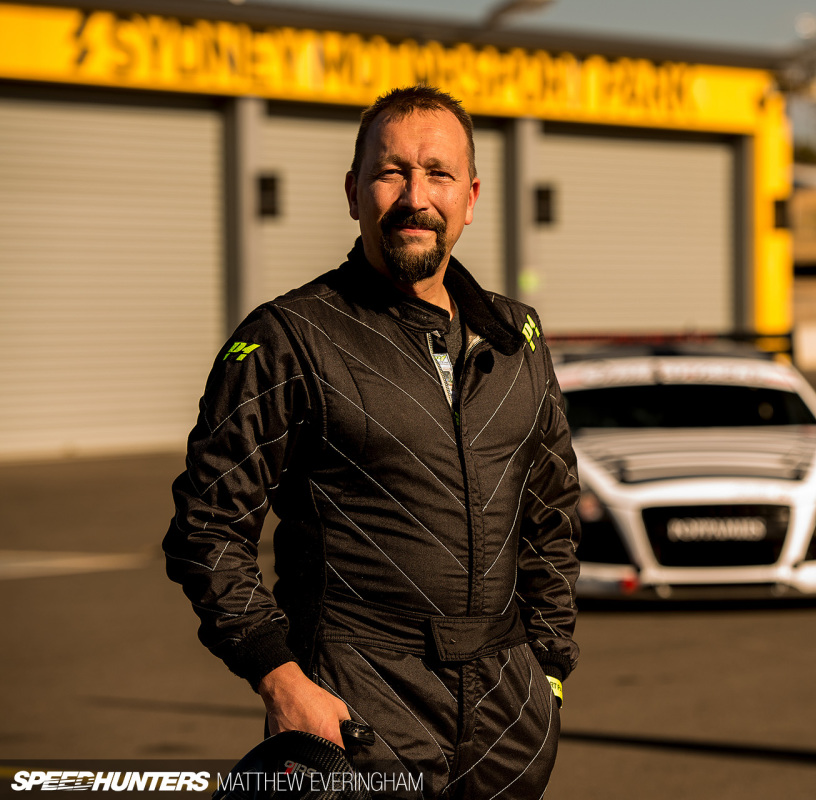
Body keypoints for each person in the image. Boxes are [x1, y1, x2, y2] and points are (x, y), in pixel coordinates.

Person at [163, 85, 581, 799]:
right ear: (353, 190)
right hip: (356, 708)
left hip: (507, 719)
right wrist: (283, 682)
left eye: (438, 173)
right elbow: (208, 530)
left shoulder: (517, 339)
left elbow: (552, 518)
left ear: (471, 197)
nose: (415, 196)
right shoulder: (287, 338)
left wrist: (548, 675)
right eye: (391, 172)